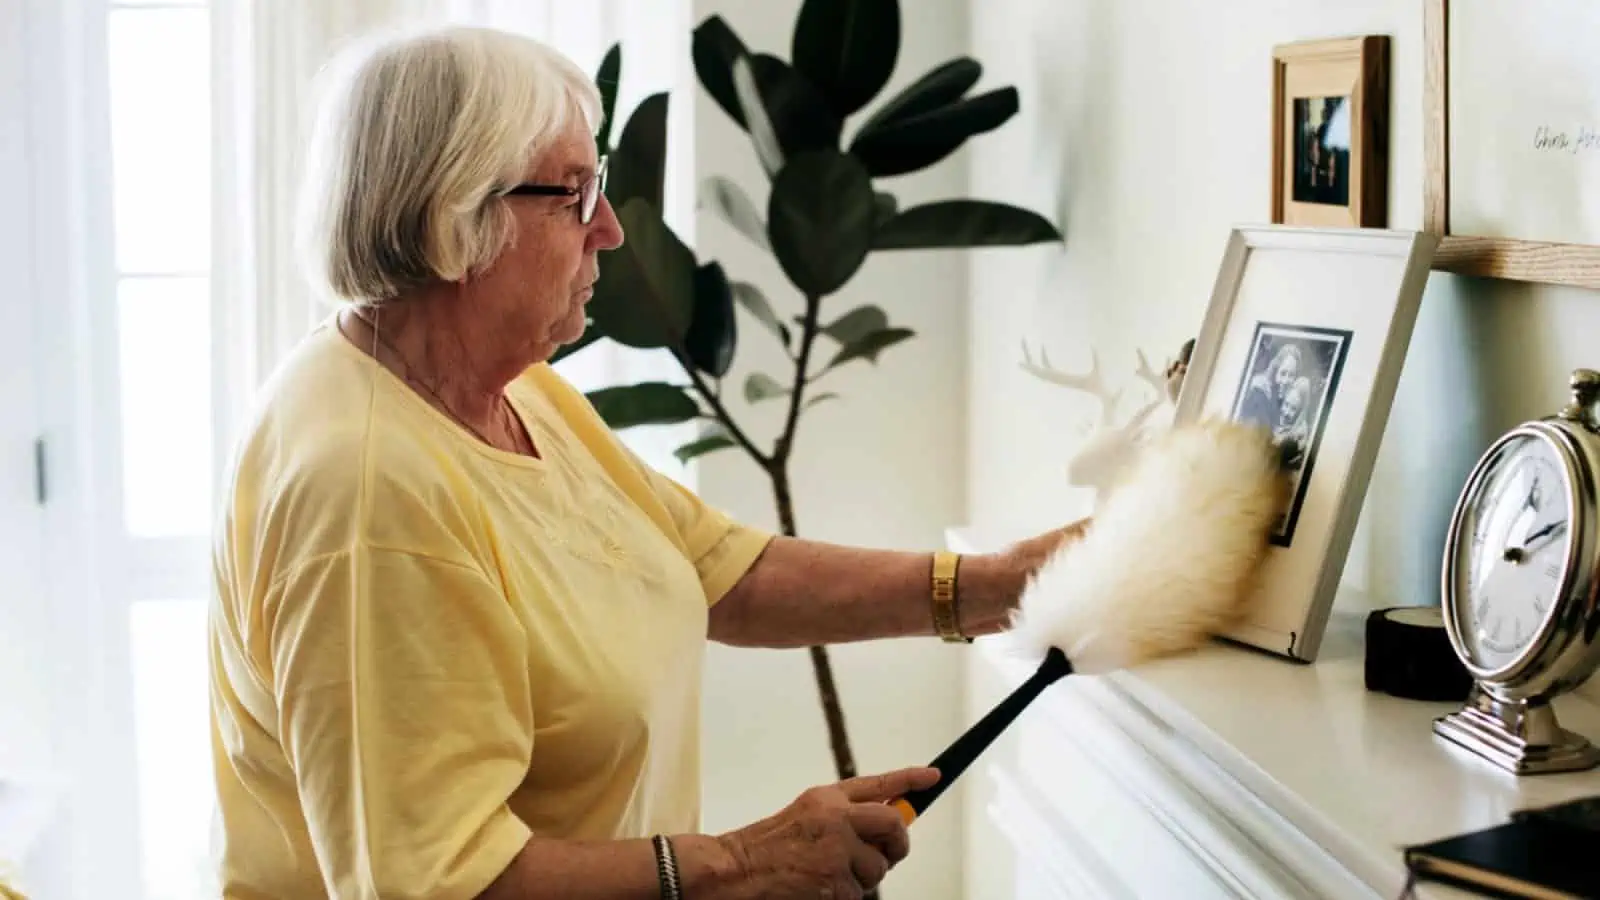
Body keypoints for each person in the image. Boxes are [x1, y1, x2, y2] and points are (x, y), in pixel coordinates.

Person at [207, 24, 1085, 900]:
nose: (614, 232)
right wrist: (746, 862)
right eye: (577, 195)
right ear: (457, 211)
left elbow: (721, 572)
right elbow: (442, 888)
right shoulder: (368, 496)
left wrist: (1001, 585)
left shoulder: (511, 390)